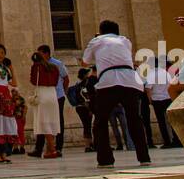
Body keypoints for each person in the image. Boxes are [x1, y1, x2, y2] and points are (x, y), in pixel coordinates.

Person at [82, 20, 151, 168]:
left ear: (100, 31)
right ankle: (144, 157)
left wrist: (95, 44)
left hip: (108, 82)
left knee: (100, 122)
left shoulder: (96, 41)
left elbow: (85, 61)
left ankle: (105, 159)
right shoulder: (125, 41)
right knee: (135, 119)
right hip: (130, 80)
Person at [31, 45, 68, 154]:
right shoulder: (52, 66)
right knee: (50, 121)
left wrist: (63, 92)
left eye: (40, 53)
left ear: (46, 53)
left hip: (55, 95)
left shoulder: (56, 64)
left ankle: (55, 148)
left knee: (46, 121)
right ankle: (42, 148)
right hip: (53, 95)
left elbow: (66, 78)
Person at [141, 55, 177, 148]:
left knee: (162, 122)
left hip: (157, 100)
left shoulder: (151, 74)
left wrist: (150, 101)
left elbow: (148, 88)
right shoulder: (166, 73)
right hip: (168, 99)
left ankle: (167, 142)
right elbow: (171, 85)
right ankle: (176, 140)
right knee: (171, 121)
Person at [68, 68, 93, 152]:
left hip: (79, 107)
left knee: (87, 125)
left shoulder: (78, 84)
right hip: (84, 108)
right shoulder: (83, 85)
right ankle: (87, 145)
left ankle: (90, 143)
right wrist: (89, 108)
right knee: (87, 125)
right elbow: (83, 98)